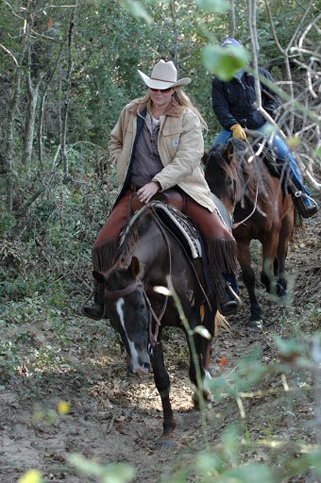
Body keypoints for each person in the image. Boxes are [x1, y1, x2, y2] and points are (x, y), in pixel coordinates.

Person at [82, 59, 241, 320]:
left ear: (174, 90)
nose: (159, 93)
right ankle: (100, 296)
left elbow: (188, 158)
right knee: (103, 242)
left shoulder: (187, 118)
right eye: (155, 88)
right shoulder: (131, 112)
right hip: (137, 191)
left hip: (182, 190)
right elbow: (115, 140)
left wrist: (157, 183)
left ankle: (225, 287)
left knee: (220, 234)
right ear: (149, 87)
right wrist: (122, 162)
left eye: (165, 89)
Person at [211, 37, 318, 218]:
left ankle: (302, 196)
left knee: (284, 154)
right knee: (213, 156)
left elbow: (274, 99)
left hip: (261, 126)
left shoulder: (259, 74)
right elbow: (220, 108)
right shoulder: (219, 81)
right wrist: (233, 125)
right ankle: (207, 203)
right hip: (233, 129)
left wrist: (264, 117)